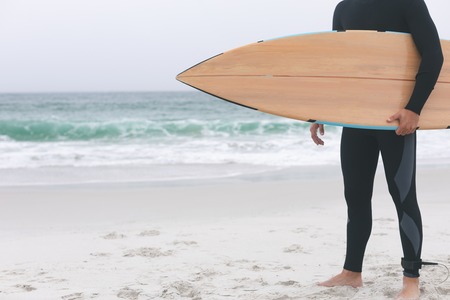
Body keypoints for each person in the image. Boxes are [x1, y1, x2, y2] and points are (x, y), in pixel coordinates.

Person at [310, 0, 444, 299]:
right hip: (356, 120)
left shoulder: (408, 3)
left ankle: (411, 280)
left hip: (396, 121)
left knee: (403, 197)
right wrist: (321, 111)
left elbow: (433, 55)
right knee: (355, 197)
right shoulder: (344, 7)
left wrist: (413, 108)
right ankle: (351, 272)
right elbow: (342, 67)